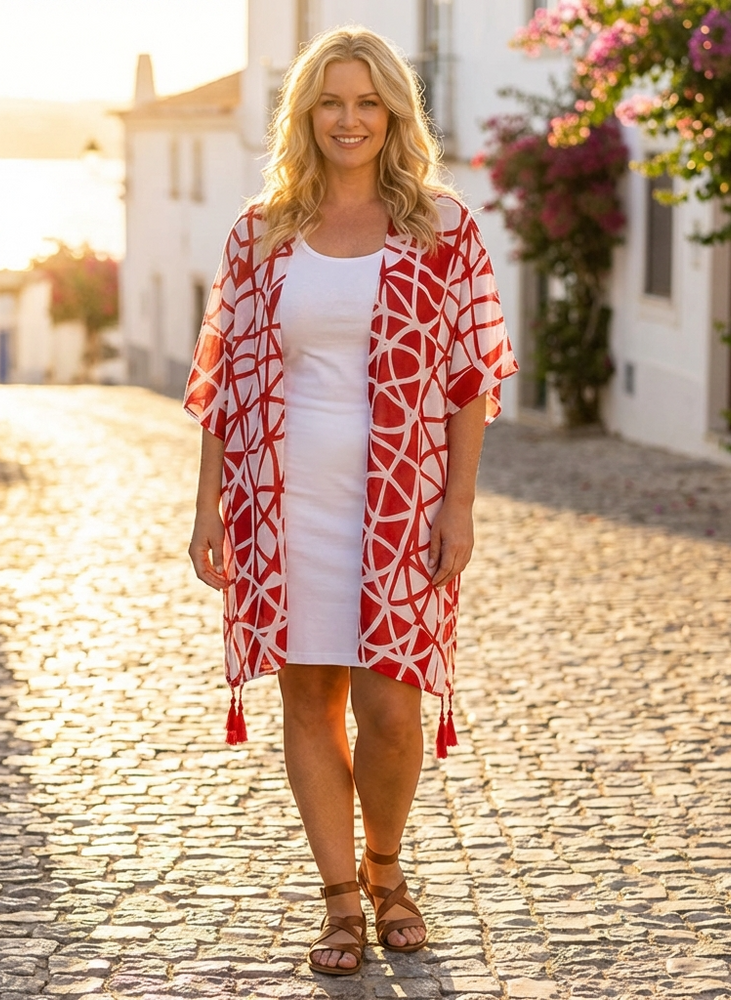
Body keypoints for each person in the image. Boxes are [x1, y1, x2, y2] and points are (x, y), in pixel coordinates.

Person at [184, 25, 516, 976]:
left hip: (402, 503)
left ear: (393, 115)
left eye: (367, 101)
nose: (349, 119)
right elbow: (223, 375)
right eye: (330, 101)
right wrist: (209, 507)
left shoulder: (441, 229)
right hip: (282, 501)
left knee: (393, 707)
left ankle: (387, 867)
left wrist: (460, 504)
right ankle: (339, 900)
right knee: (309, 697)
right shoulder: (261, 232)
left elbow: (469, 377)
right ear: (305, 114)